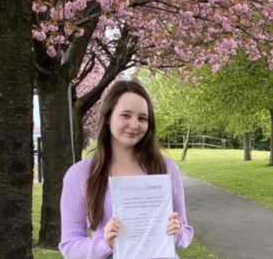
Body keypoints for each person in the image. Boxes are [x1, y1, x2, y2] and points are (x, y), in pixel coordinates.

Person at [59, 80, 194, 259]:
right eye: (125, 115)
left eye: (142, 118)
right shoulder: (80, 174)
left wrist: (177, 232)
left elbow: (185, 233)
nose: (134, 124)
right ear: (108, 117)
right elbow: (70, 246)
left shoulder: (166, 168)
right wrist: (105, 244)